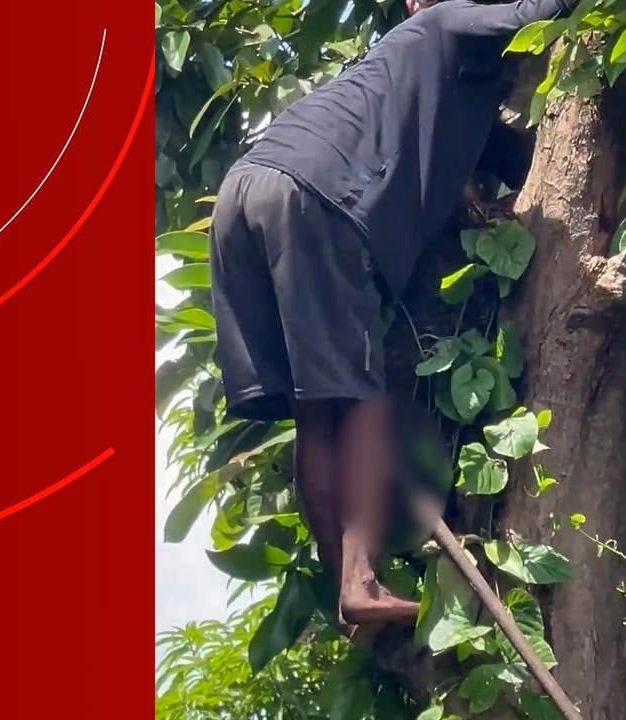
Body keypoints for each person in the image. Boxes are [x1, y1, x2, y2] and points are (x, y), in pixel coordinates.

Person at [208, 0, 574, 636]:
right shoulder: (443, 24)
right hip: (316, 196)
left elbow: (511, 157)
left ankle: (349, 595)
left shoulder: (427, 88)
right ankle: (361, 583)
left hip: (246, 194)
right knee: (363, 401)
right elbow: (541, 11)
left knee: (317, 412)